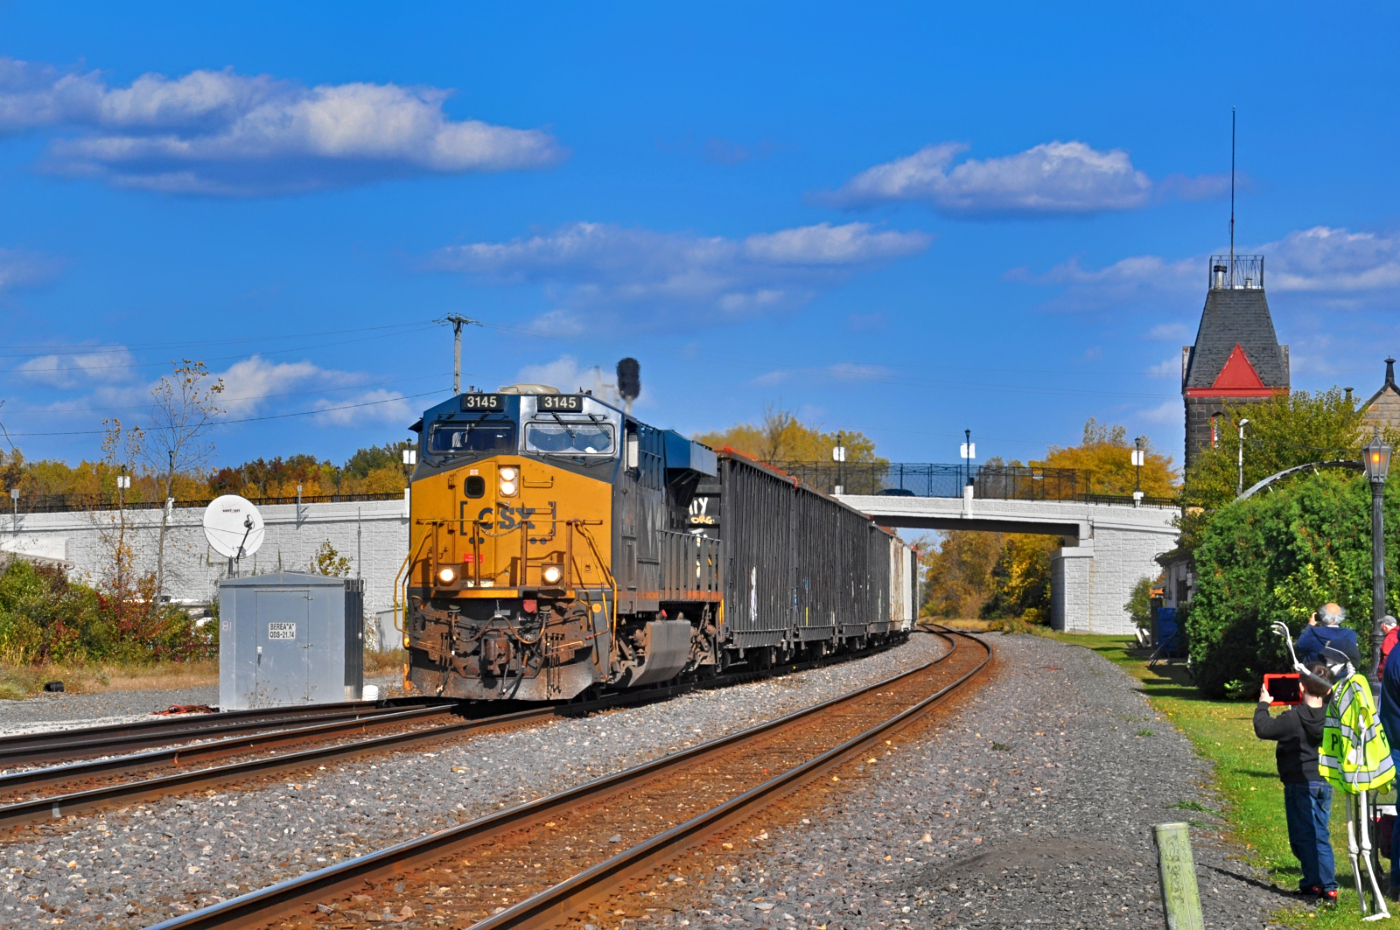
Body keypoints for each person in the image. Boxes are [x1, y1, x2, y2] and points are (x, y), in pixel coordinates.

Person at [1256, 664, 1337, 903]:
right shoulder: (1332, 717)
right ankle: (1319, 884)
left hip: (1299, 782)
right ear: (1329, 692)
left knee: (1304, 836)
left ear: (1301, 687)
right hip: (1324, 780)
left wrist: (1263, 704)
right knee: (1319, 833)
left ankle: (1321, 885)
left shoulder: (1292, 718)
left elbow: (1263, 729)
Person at [1296, 603, 1362, 673]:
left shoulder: (1313, 633)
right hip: (1341, 679)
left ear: (1322, 616)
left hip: (1315, 677)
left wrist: (1310, 626)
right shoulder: (1350, 634)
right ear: (1341, 617)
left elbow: (1299, 647)